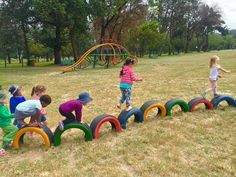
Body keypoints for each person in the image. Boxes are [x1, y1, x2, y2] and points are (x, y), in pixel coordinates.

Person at [0, 89, 18, 156]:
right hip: (5, 124)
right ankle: (7, 139)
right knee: (15, 129)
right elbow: (4, 116)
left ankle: (3, 147)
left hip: (5, 123)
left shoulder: (2, 106)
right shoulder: (1, 108)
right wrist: (13, 115)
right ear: (1, 100)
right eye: (5, 99)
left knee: (6, 133)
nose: (6, 100)